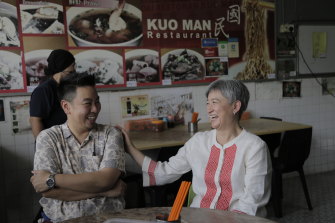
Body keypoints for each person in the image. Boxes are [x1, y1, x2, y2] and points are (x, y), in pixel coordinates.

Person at [120, 79, 272, 217]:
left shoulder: (254, 147)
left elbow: (252, 198)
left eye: (215, 102)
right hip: (198, 217)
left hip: (237, 220)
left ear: (235, 106)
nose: (209, 109)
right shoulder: (199, 141)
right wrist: (130, 148)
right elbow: (163, 172)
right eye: (207, 103)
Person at [30, 72, 126, 222]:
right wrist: (104, 192)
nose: (95, 109)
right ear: (66, 107)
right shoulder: (48, 138)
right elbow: (48, 191)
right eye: (87, 103)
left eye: (97, 101)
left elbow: (106, 180)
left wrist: (51, 179)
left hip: (108, 219)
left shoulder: (111, 134)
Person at [29, 49, 75, 138]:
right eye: (70, 71)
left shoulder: (67, 87)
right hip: (52, 142)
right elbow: (35, 120)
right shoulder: (43, 90)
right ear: (61, 68)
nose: (74, 69)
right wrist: (44, 145)